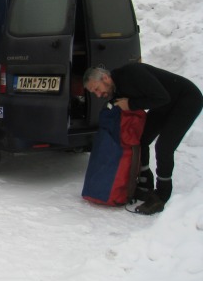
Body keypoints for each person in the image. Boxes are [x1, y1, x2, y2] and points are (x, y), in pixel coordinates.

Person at [84, 63, 202, 214]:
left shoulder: (132, 73)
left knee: (164, 147)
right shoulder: (115, 87)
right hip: (165, 102)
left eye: (97, 89)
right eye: (94, 92)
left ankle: (161, 195)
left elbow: (161, 96)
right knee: (141, 139)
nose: (98, 95)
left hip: (186, 99)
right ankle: (145, 183)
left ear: (105, 78)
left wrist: (131, 104)